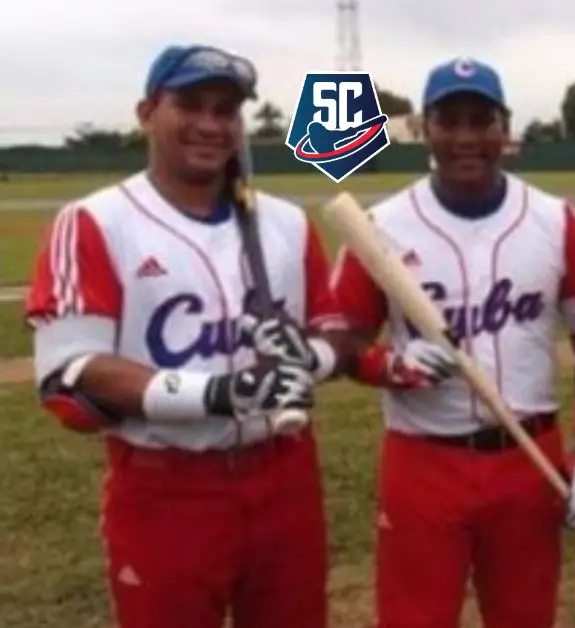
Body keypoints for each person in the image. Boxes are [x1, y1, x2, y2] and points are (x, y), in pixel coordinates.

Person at [23, 44, 352, 628]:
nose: (209, 123)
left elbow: (336, 332)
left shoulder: (285, 222)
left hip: (284, 475)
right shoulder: (96, 221)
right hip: (165, 484)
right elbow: (73, 369)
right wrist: (219, 393)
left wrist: (314, 357)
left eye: (225, 110)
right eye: (190, 105)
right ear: (147, 112)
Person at [328, 56, 575, 628]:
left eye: (480, 120)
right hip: (422, 463)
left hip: (526, 460)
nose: (465, 137)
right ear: (426, 130)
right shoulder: (382, 225)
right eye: (449, 120)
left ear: (504, 128)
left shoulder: (555, 222)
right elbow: (341, 342)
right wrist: (392, 365)